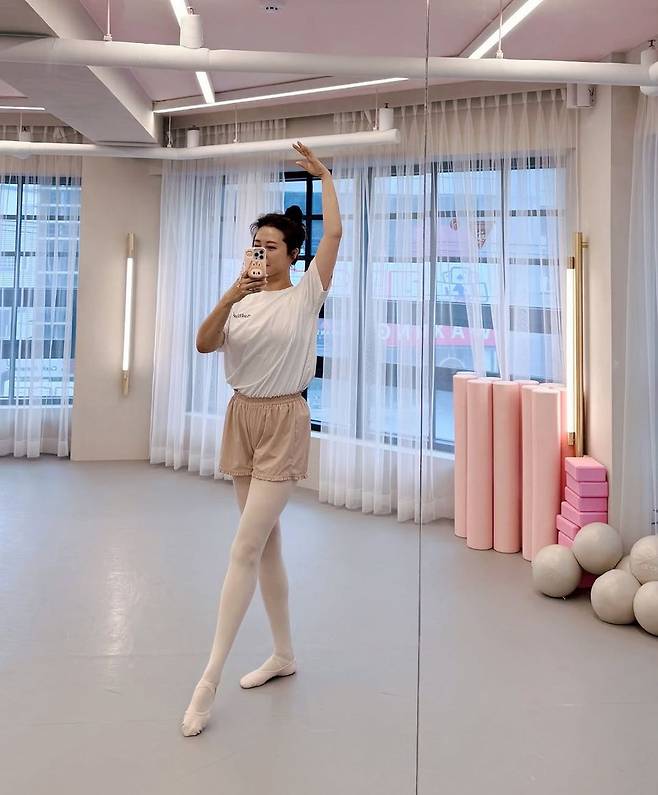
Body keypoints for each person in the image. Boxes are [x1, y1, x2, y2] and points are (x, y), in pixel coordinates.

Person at [182, 141, 342, 736]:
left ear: (292, 254)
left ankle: (208, 679)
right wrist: (230, 294)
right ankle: (284, 654)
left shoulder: (306, 294)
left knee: (244, 548)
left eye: (271, 245)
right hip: (241, 418)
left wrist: (324, 176)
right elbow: (203, 344)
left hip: (283, 421)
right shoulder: (241, 302)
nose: (261, 252)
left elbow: (334, 236)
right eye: (256, 245)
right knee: (266, 545)